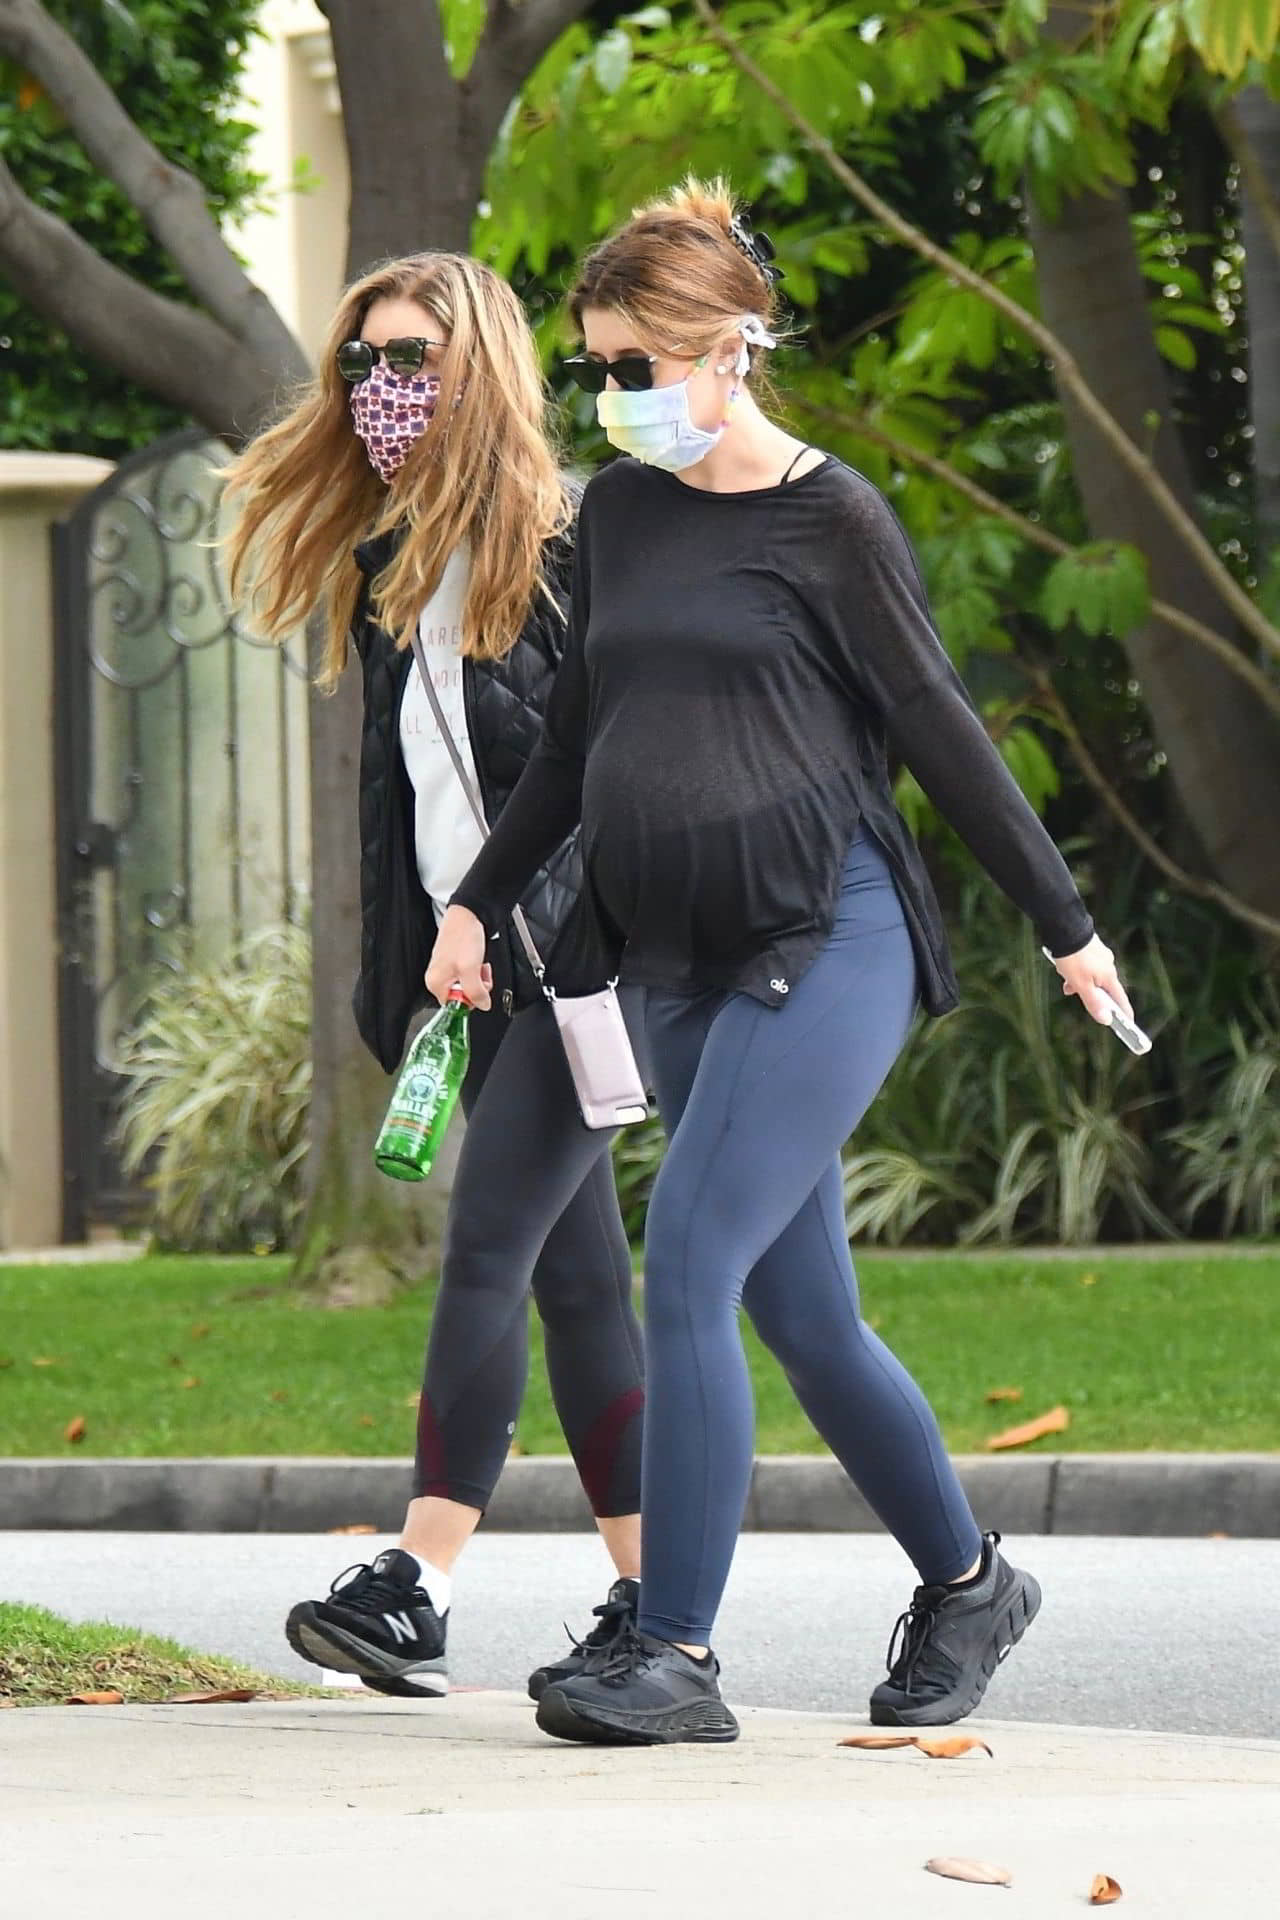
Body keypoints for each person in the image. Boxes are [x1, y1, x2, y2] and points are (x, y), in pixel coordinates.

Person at [426, 180, 1139, 1746]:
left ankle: (671, 1652)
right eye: (598, 367)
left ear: (729, 351)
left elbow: (941, 730)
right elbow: (574, 747)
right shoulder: (617, 515)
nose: (614, 396)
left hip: (826, 939)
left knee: (688, 1261)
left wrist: (1065, 923)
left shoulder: (833, 518)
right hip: (666, 959)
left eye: (637, 365)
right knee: (805, 1314)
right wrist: (477, 901)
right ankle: (968, 1585)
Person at [223, 252, 645, 1700]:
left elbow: (607, 773)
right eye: (364, 364)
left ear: (480, 373)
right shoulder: (391, 565)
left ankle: (420, 1580)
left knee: (485, 1246)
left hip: (584, 967)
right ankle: (654, 1601)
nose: (382, 390)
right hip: (486, 978)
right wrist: (416, 965)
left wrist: (545, 929)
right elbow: (406, 800)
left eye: (413, 362)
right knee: (582, 1287)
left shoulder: (579, 541)